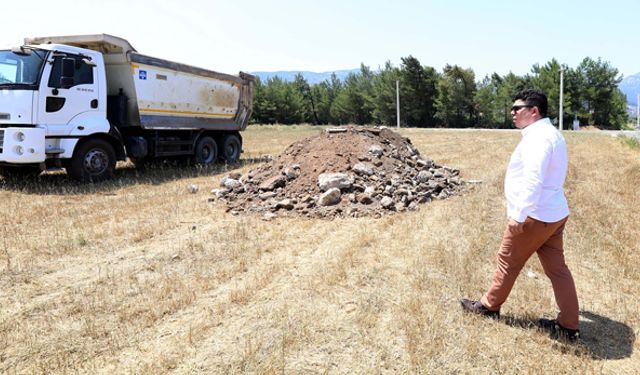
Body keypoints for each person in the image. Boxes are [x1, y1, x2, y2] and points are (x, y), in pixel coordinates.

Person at [460, 89, 580, 341]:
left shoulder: (539, 138)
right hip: (553, 213)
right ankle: (569, 326)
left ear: (533, 111)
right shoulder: (550, 134)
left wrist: (518, 216)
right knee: (558, 269)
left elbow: (533, 180)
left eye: (517, 108)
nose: (512, 113)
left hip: (534, 216)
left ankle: (488, 307)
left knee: (507, 261)